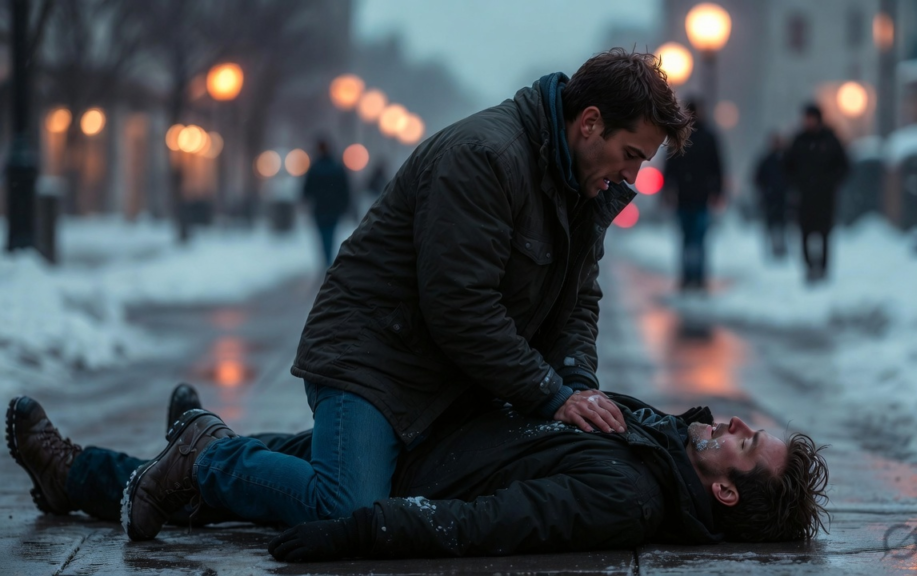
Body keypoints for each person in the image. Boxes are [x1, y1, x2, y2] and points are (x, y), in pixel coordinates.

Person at [119, 48, 694, 542]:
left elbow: (578, 304)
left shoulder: (582, 187)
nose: (632, 178)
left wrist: (577, 392)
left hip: (445, 377)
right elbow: (461, 309)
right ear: (589, 123)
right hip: (373, 359)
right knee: (348, 508)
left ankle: (158, 467)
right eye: (632, 156)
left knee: (375, 481)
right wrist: (550, 395)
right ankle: (203, 453)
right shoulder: (486, 157)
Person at [6, 384, 830, 561]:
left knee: (219, 469)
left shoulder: (630, 495)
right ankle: (73, 475)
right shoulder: (663, 444)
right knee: (194, 484)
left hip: (404, 478)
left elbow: (491, 524)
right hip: (424, 432)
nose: (734, 422)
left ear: (725, 489)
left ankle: (193, 450)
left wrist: (363, 526)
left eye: (747, 442)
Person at [661, 100, 725, 291]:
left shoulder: (682, 136)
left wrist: (667, 190)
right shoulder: (707, 137)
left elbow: (670, 167)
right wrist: (716, 191)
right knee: (696, 240)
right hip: (696, 196)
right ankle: (695, 277)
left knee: (689, 239)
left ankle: (691, 277)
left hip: (688, 196)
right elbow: (717, 166)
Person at [784, 104, 849, 283]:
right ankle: (809, 268)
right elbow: (787, 167)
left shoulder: (830, 140)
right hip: (804, 198)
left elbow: (843, 166)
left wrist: (830, 182)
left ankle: (823, 269)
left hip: (825, 197)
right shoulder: (799, 141)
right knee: (804, 234)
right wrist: (797, 183)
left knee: (825, 235)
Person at [302, 139, 352, 268]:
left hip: (320, 209)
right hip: (333, 210)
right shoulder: (337, 167)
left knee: (323, 236)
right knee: (331, 234)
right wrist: (344, 206)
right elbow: (345, 189)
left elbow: (306, 190)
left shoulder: (314, 168)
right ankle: (328, 260)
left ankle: (326, 260)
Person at [753, 132, 790, 260]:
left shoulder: (786, 159)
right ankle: (775, 249)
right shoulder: (767, 160)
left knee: (783, 225)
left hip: (783, 199)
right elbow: (757, 179)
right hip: (770, 199)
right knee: (772, 226)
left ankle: (782, 248)